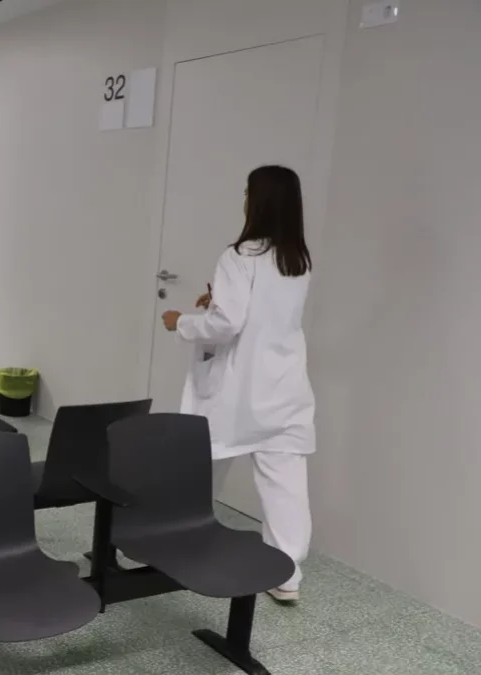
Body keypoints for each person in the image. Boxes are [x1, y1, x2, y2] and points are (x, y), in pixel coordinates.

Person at [161, 165, 315, 605]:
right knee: (285, 483)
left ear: (259, 201)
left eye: (248, 192)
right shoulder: (298, 258)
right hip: (284, 389)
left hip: (239, 389)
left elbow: (227, 324)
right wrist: (221, 299)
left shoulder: (240, 255)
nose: (244, 199)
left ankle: (177, 544)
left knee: (200, 465)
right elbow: (260, 311)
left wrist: (181, 322)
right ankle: (287, 574)